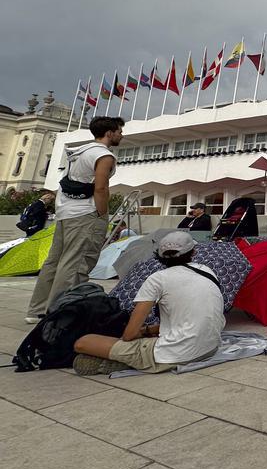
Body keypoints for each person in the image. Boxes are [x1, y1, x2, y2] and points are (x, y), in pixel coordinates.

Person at [72, 231, 224, 375]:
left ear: (159, 255)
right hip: (209, 347)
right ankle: (130, 359)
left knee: (84, 342)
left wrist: (141, 333)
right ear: (193, 252)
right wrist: (149, 331)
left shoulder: (158, 279)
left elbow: (129, 335)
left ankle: (130, 361)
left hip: (177, 354)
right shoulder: (206, 270)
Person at [26, 116, 123, 324]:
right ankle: (59, 313)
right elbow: (101, 187)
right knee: (76, 264)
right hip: (85, 214)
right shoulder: (104, 156)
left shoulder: (80, 151)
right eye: (119, 131)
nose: (121, 135)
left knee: (54, 261)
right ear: (109, 133)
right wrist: (102, 213)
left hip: (65, 212)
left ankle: (37, 309)